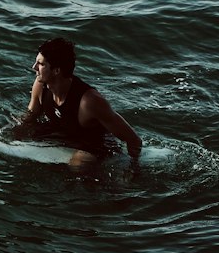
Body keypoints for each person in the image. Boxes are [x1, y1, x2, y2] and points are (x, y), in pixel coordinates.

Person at [13, 36, 142, 171]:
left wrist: (133, 170)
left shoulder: (89, 101)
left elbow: (134, 140)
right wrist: (11, 135)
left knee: (78, 164)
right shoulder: (40, 86)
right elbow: (30, 117)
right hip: (61, 134)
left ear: (57, 70)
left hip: (93, 145)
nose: (34, 67)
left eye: (41, 64)